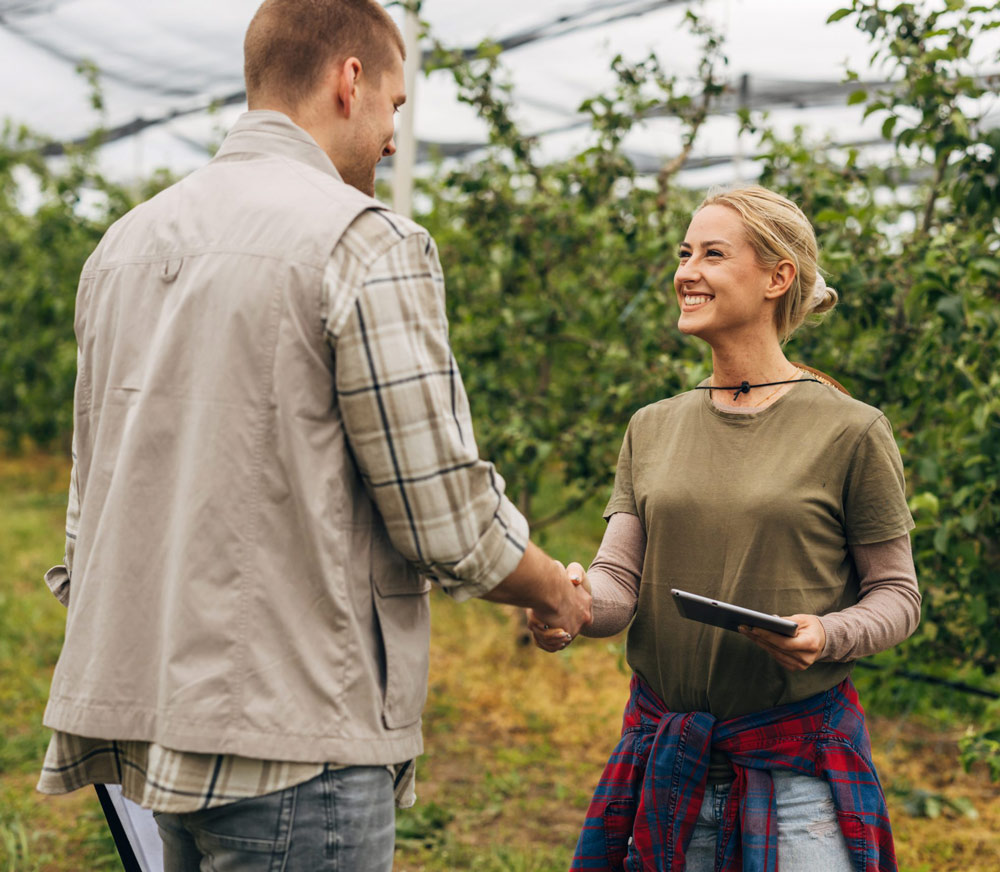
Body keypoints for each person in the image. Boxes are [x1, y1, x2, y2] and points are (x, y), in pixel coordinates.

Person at [36, 1, 591, 869]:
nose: (394, 140)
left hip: (153, 723)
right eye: (396, 110)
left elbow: (92, 495)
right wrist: (552, 588)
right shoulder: (362, 241)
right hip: (294, 739)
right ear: (351, 80)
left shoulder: (124, 247)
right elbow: (443, 514)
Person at [530, 185, 920, 871]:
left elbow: (897, 594)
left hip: (794, 777)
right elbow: (619, 582)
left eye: (712, 254)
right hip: (665, 762)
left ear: (778, 277)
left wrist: (828, 635)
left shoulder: (850, 430)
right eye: (684, 254)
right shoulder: (652, 426)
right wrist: (573, 604)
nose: (687, 272)